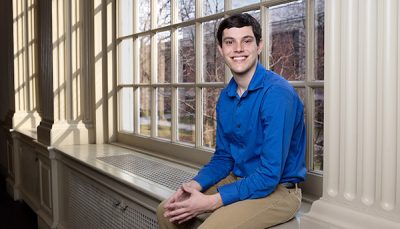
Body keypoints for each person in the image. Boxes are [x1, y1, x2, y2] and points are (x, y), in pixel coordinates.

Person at [157, 13, 306, 229]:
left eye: (246, 41)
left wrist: (210, 202)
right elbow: (223, 157)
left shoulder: (277, 94)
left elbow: (269, 175)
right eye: (230, 42)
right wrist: (193, 185)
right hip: (238, 178)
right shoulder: (226, 98)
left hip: (279, 191)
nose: (238, 49)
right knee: (167, 211)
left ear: (259, 45)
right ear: (220, 49)